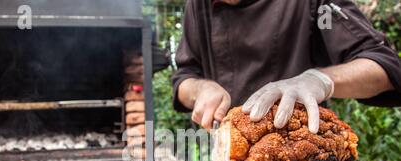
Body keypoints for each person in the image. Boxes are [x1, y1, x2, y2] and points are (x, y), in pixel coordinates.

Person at [172, 0, 401, 133]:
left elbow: (383, 65)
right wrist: (200, 89)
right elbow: (184, 78)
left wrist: (319, 80)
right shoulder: (197, 5)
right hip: (227, 156)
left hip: (303, 153)